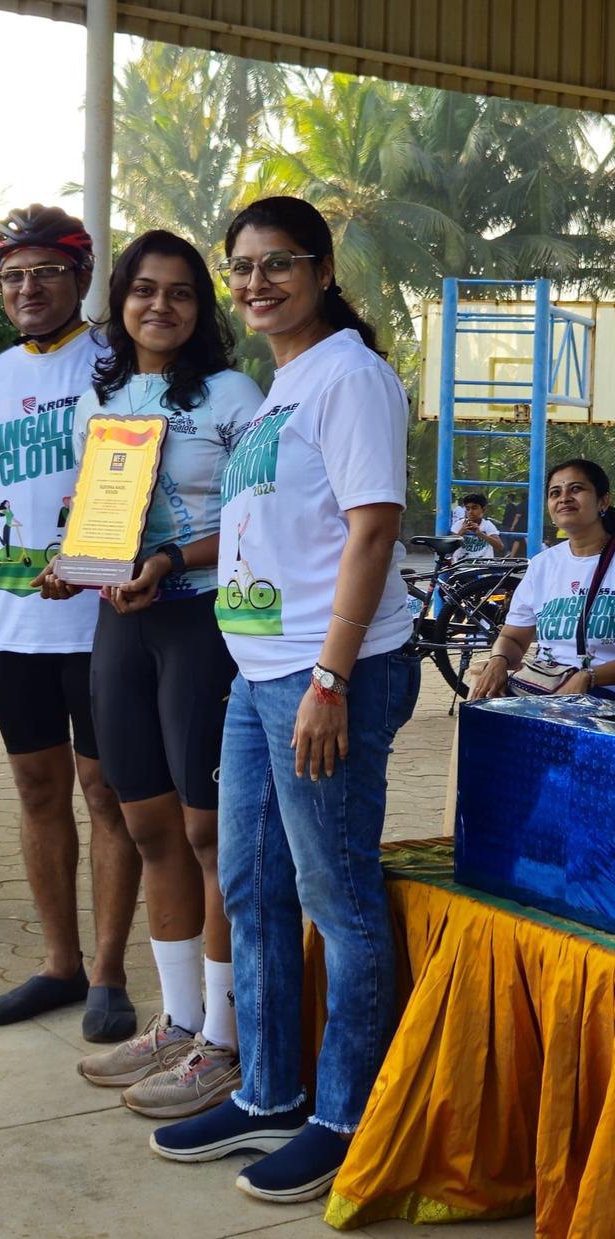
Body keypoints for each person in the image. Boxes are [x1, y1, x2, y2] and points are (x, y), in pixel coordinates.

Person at [148, 197, 420, 1203]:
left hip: (324, 678)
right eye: (242, 268)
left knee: (337, 904)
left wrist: (331, 679)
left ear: (320, 269)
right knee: (253, 892)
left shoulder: (350, 377)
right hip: (259, 675)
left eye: (278, 264)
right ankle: (267, 1093)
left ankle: (347, 1119)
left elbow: (372, 531)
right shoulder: (282, 385)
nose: (256, 283)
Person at [40, 231, 261, 1115]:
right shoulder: (104, 398)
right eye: (143, 290)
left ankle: (226, 1040)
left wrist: (169, 559)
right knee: (147, 826)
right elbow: (95, 514)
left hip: (203, 619)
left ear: (202, 309)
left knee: (211, 837)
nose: (159, 306)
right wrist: (76, 562)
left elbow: (257, 517)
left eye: (178, 293)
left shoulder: (234, 396)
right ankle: (176, 1021)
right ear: (119, 302)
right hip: (120, 623)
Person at [0, 204, 142, 1042]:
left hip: (104, 625)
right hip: (11, 630)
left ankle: (111, 973)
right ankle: (60, 963)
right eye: (12, 274)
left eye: (46, 271)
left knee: (107, 793)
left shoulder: (118, 364)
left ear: (82, 277)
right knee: (37, 788)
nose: (27, 287)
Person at [470, 460, 615, 700]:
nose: (564, 498)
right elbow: (513, 638)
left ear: (603, 501)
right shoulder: (542, 565)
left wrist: (589, 677)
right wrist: (499, 660)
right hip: (550, 694)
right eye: (555, 492)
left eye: (576, 489)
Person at [451, 492, 504, 562]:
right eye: (468, 509)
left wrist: (480, 534)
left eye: (474, 508)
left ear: (483, 509)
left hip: (483, 567)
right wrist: (461, 532)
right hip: (460, 566)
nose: (470, 512)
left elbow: (500, 547)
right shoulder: (459, 524)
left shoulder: (487, 525)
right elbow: (449, 546)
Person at [499, 490, 528, 557]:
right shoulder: (528, 505)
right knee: (521, 539)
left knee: (513, 539)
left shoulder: (520, 505)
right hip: (526, 525)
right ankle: (511, 554)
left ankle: (508, 553)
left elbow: (517, 516)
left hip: (518, 525)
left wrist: (513, 526)